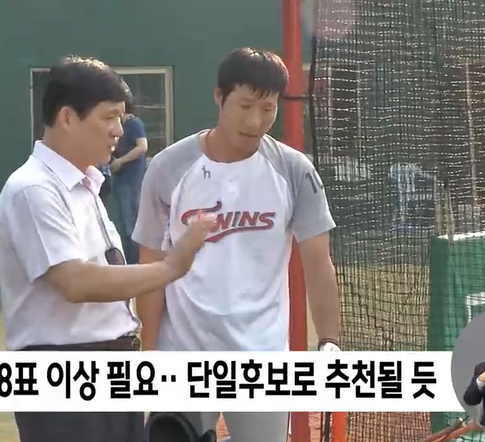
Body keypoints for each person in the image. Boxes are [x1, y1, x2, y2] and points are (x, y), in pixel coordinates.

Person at [0, 55, 215, 442]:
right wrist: (172, 266)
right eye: (109, 117)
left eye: (121, 118)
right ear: (67, 117)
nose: (119, 130)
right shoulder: (34, 189)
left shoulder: (84, 184)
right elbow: (76, 281)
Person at [131, 47, 342, 442]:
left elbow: (318, 263)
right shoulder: (168, 167)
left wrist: (329, 341)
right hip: (184, 353)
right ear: (219, 96)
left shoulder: (294, 170)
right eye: (244, 106)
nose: (255, 121)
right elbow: (151, 262)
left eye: (267, 108)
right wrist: (152, 350)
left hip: (261, 355)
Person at [110, 94, 148, 264]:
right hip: (121, 179)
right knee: (125, 225)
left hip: (132, 180)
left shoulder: (134, 123)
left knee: (130, 225)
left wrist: (121, 161)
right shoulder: (122, 127)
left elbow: (143, 146)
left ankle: (135, 262)